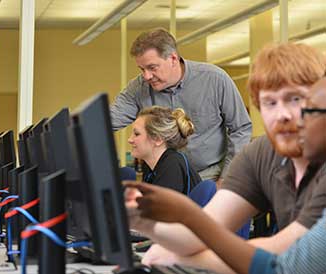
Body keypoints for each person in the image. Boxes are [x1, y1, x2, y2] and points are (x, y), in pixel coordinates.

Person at [124, 43, 326, 273]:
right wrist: (142, 221)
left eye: (295, 99)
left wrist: (181, 249)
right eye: (270, 102)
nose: (282, 115)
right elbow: (195, 236)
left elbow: (283, 259)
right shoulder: (261, 154)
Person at [110, 28, 252, 183]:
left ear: (173, 58)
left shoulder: (215, 80)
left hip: (210, 176)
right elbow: (108, 120)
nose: (147, 76)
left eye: (152, 68)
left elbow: (241, 128)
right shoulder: (138, 88)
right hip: (165, 176)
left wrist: (227, 178)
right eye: (142, 69)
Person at [128, 106, 201, 195]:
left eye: (136, 134)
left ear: (158, 139)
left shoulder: (172, 165)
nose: (130, 140)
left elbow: (157, 207)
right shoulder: (149, 167)